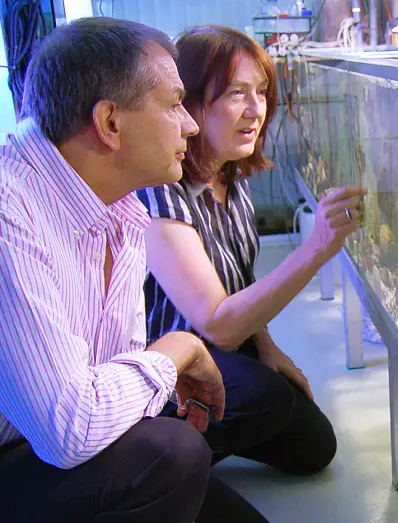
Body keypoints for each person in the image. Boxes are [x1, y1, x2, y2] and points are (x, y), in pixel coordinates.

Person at [0, 17, 267, 523]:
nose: (190, 124)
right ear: (110, 122)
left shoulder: (121, 210)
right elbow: (70, 428)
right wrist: (178, 350)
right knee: (170, 455)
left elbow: (107, 375)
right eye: (174, 103)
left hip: (30, 448)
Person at [137, 24, 366, 474]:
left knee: (314, 447)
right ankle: (156, 467)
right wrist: (317, 246)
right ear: (191, 101)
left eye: (261, 92)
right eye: (236, 93)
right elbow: (219, 325)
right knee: (265, 398)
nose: (255, 110)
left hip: (225, 354)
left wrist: (267, 346)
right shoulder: (159, 192)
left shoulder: (231, 180)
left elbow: (239, 283)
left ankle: (204, 437)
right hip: (170, 371)